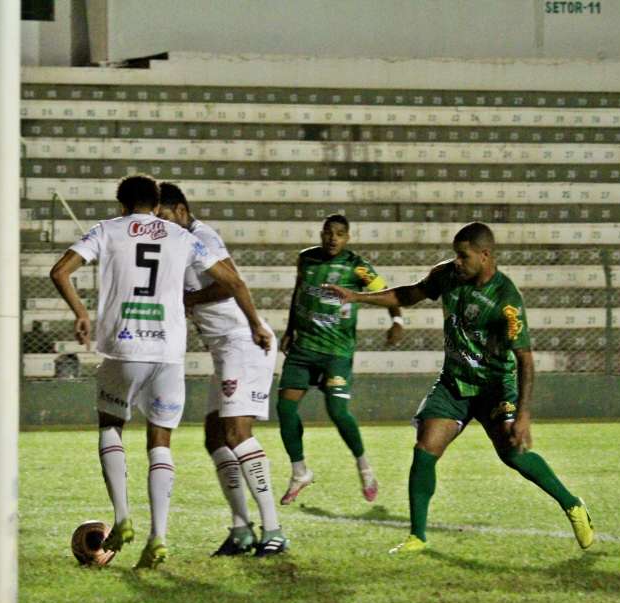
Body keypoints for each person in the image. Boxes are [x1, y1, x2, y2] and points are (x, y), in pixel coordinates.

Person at [323, 221, 594, 553]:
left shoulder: (507, 300)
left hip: (494, 388)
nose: (457, 262)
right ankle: (417, 537)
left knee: (513, 455)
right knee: (425, 449)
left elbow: (525, 358)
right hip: (453, 384)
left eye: (463, 257)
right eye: (455, 255)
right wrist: (356, 296)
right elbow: (409, 294)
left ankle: (572, 505)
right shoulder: (447, 275)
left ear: (485, 255)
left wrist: (523, 414)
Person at [50, 174, 272, 569]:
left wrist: (81, 313)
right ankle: (159, 537)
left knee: (110, 426)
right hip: (168, 352)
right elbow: (233, 280)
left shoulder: (107, 229)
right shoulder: (182, 236)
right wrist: (255, 322)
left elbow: (60, 271)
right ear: (156, 204)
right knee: (160, 442)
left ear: (121, 205)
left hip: (123, 346)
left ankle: (122, 518)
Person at [157, 182, 287, 557]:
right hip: (225, 348)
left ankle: (274, 529)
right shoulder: (177, 242)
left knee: (236, 433)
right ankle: (241, 529)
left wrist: (256, 325)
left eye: (165, 216)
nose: (162, 224)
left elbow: (232, 283)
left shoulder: (200, 236)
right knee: (215, 437)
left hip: (242, 342)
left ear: (181, 210)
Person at [277, 214, 404, 506]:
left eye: (340, 234)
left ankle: (365, 469)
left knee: (337, 410)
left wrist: (397, 320)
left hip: (337, 352)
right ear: (321, 234)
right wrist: (289, 330)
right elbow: (299, 294)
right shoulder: (306, 259)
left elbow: (388, 293)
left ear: (348, 238)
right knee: (285, 409)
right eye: (328, 232)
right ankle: (299, 473)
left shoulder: (356, 265)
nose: (333, 238)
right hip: (303, 348)